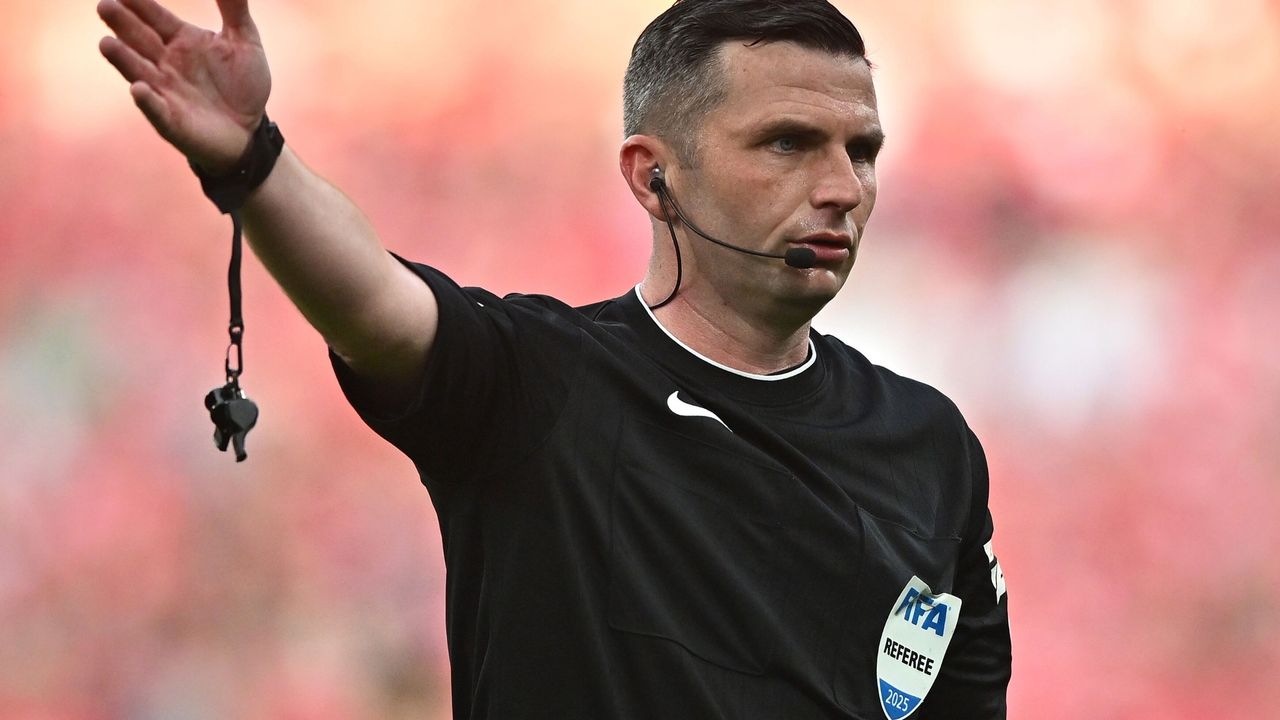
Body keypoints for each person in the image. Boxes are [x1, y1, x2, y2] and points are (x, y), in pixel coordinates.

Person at [98, 0, 1012, 716]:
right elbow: (376, 304)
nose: (843, 187)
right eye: (789, 143)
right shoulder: (544, 385)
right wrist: (253, 160)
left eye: (863, 151)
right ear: (653, 176)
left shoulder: (931, 446)